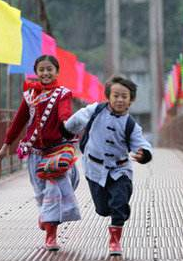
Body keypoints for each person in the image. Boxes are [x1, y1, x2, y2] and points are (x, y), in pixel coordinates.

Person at [0, 55, 81, 251]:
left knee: (54, 192)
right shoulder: (30, 95)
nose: (45, 73)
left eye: (49, 69)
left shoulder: (63, 94)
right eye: (41, 69)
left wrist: (67, 123)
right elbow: (19, 121)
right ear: (37, 72)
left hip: (57, 152)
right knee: (41, 194)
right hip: (35, 153)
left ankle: (51, 236)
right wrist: (6, 144)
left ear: (57, 72)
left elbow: (64, 112)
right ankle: (46, 216)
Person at [63, 76, 153, 256]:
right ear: (108, 97)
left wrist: (144, 153)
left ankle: (115, 240)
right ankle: (113, 216)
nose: (120, 100)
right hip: (94, 168)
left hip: (120, 169)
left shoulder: (130, 125)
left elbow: (140, 142)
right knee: (103, 209)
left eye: (124, 96)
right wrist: (66, 130)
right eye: (116, 95)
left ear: (131, 100)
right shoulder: (95, 110)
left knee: (119, 202)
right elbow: (78, 119)